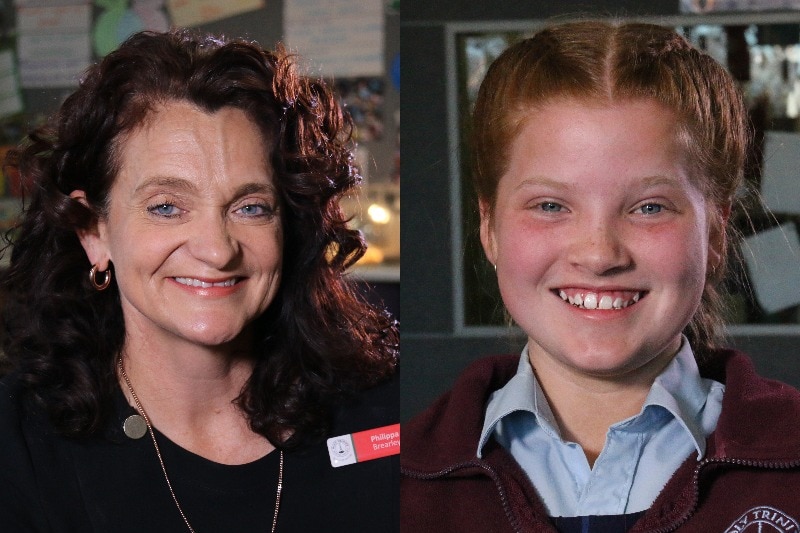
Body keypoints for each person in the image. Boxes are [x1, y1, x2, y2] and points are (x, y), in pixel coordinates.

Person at [401, 20, 800, 532]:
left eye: (650, 207)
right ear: (489, 228)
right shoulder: (401, 477)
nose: (599, 253)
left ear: (717, 234)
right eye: (550, 205)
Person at [0, 29, 399, 532]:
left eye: (250, 207)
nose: (216, 248)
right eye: (166, 207)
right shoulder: (18, 446)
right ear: (94, 232)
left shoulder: (390, 413)